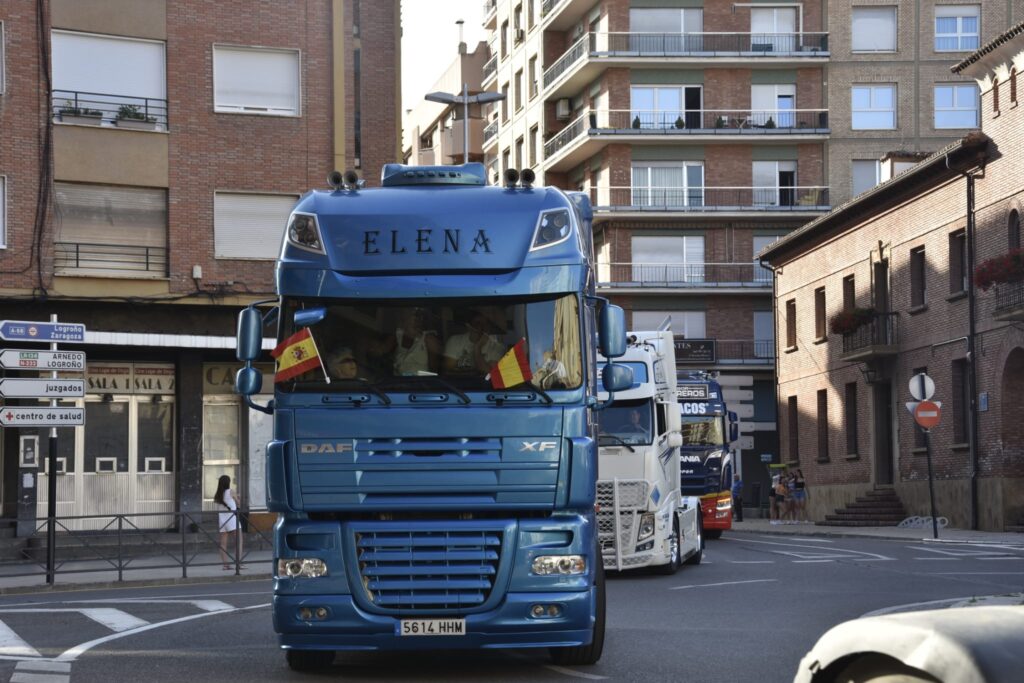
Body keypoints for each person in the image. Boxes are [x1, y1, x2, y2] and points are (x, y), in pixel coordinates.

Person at [375, 308, 442, 376]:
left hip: (421, 382)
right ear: (404, 318)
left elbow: (434, 371)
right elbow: (381, 350)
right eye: (415, 316)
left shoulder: (429, 339)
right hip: (398, 381)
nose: (419, 320)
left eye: (421, 317)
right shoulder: (397, 335)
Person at [214, 474, 244, 570]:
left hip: (223, 521)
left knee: (223, 544)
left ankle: (225, 565)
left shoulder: (218, 495)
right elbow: (238, 504)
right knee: (238, 542)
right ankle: (238, 564)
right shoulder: (231, 491)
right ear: (228, 483)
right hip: (232, 519)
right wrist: (238, 498)